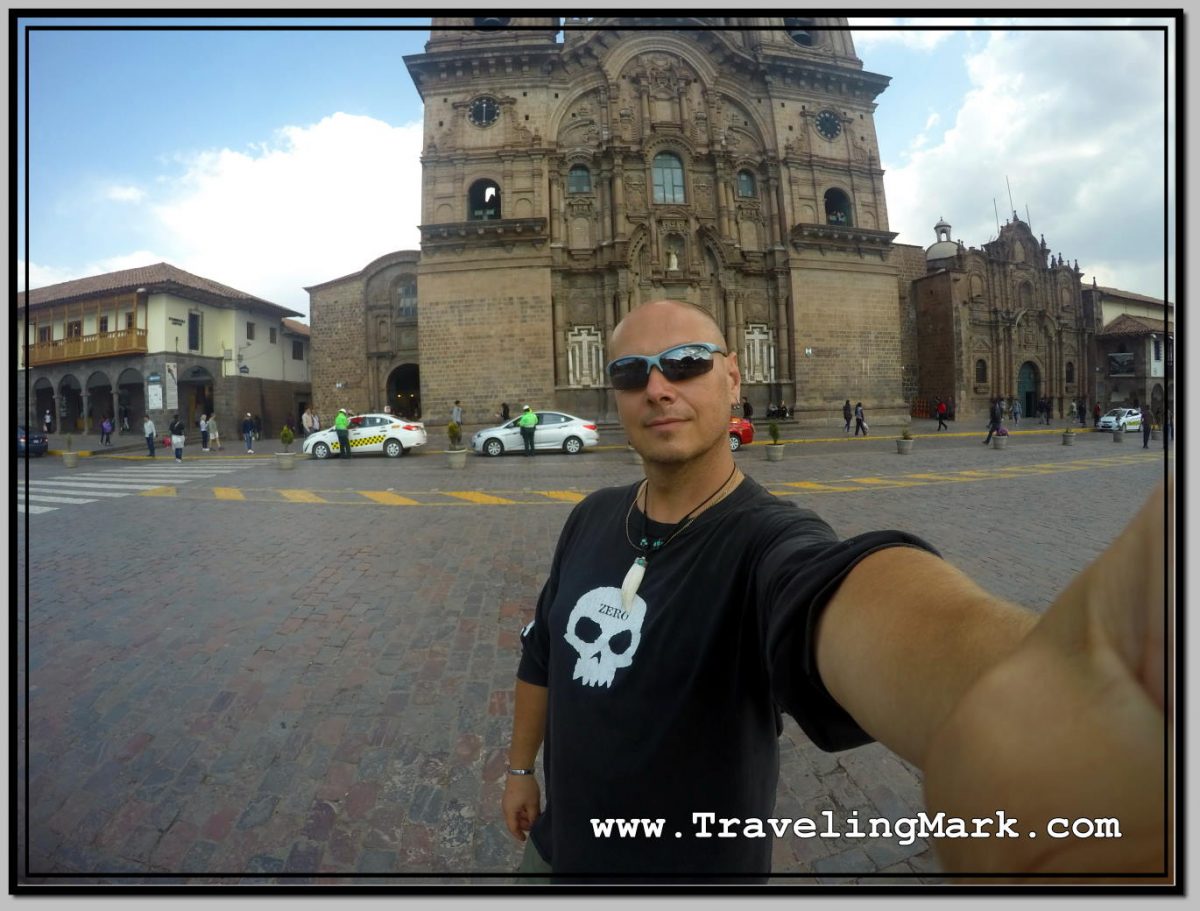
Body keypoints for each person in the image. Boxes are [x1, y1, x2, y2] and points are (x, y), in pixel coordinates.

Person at [501, 299, 1169, 881]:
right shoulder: (589, 516)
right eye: (629, 371)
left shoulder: (766, 543)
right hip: (554, 859)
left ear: (733, 377)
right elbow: (544, 655)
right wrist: (520, 768)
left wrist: (1034, 696)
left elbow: (836, 595)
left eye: (685, 361)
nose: (656, 386)